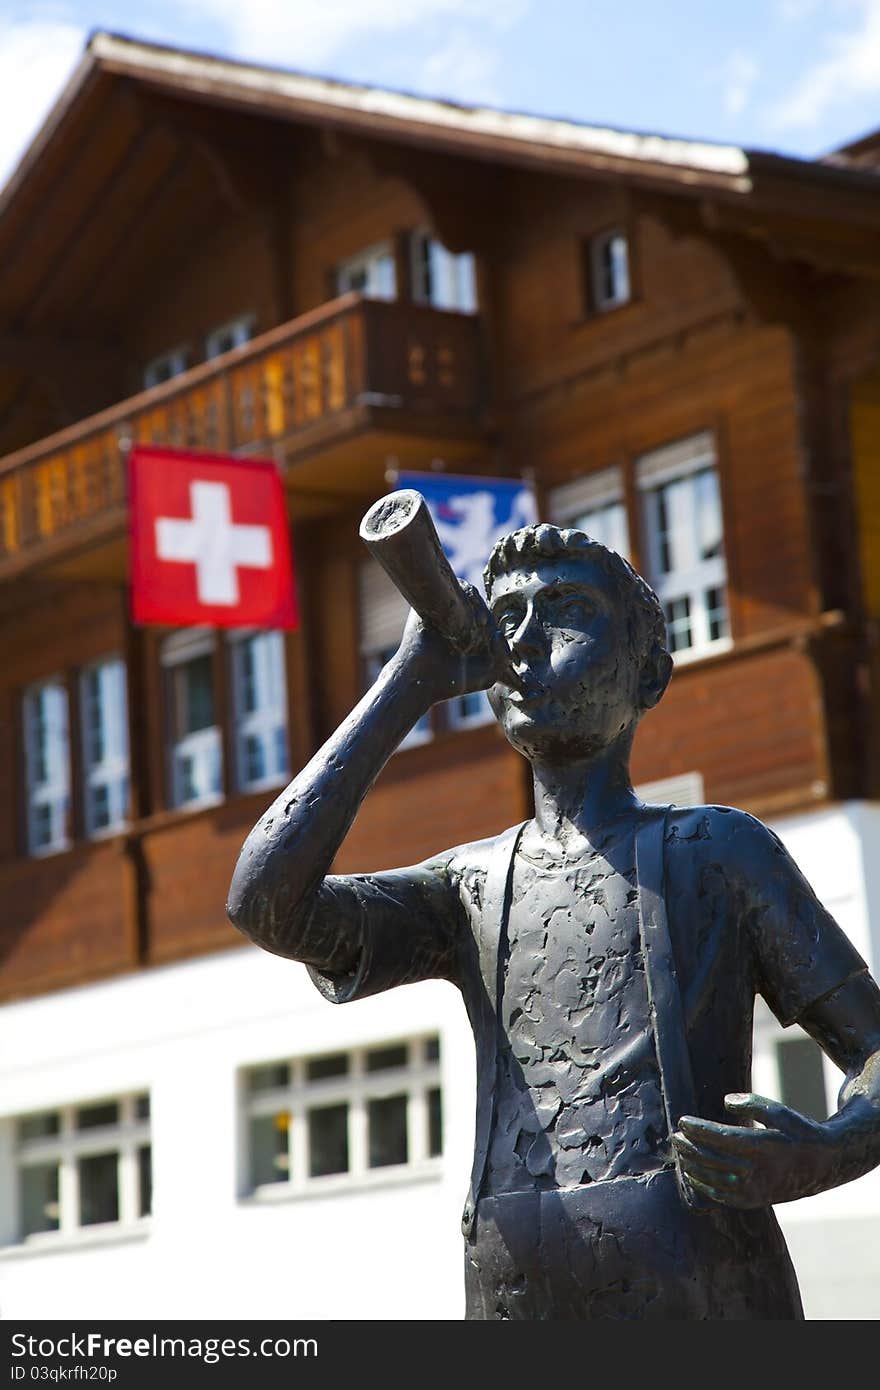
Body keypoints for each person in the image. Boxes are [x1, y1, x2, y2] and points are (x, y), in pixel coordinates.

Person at [228, 523, 880, 1320]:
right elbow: (266, 903)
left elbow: (875, 1054)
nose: (525, 644)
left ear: (649, 674)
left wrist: (819, 1153)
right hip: (511, 1288)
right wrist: (409, 680)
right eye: (507, 622)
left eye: (565, 611)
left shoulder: (717, 851)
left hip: (702, 1286)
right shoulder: (467, 885)